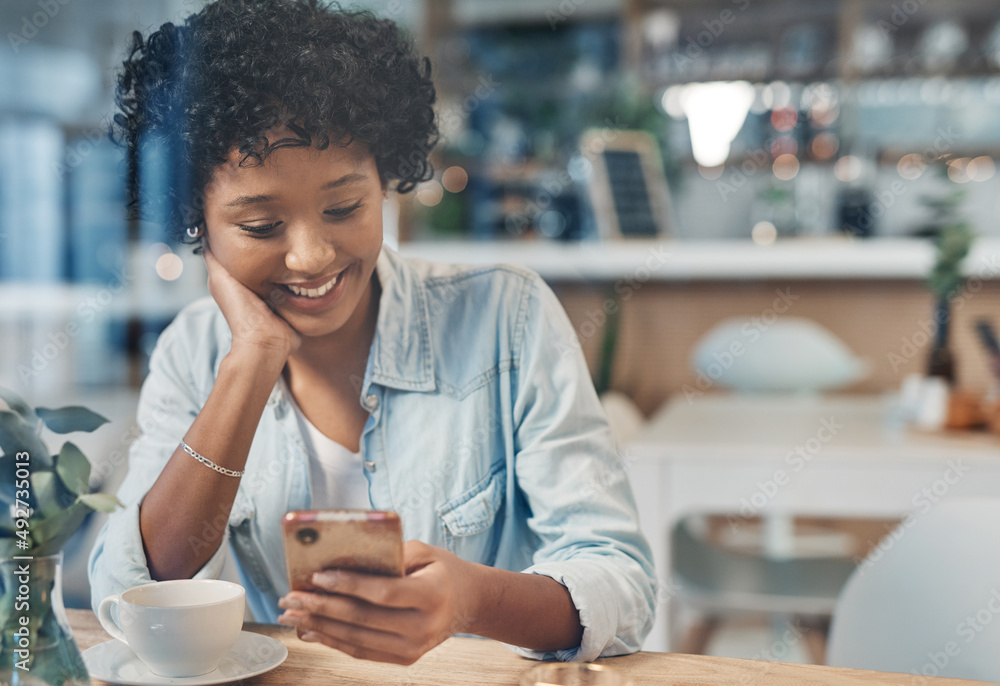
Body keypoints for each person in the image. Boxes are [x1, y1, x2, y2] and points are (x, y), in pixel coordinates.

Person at [88, 0, 656, 665]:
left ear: (385, 181)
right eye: (261, 227)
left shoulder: (508, 318)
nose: (312, 256)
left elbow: (621, 582)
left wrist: (469, 600)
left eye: (344, 207)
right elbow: (134, 589)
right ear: (197, 225)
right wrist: (250, 362)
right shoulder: (194, 351)